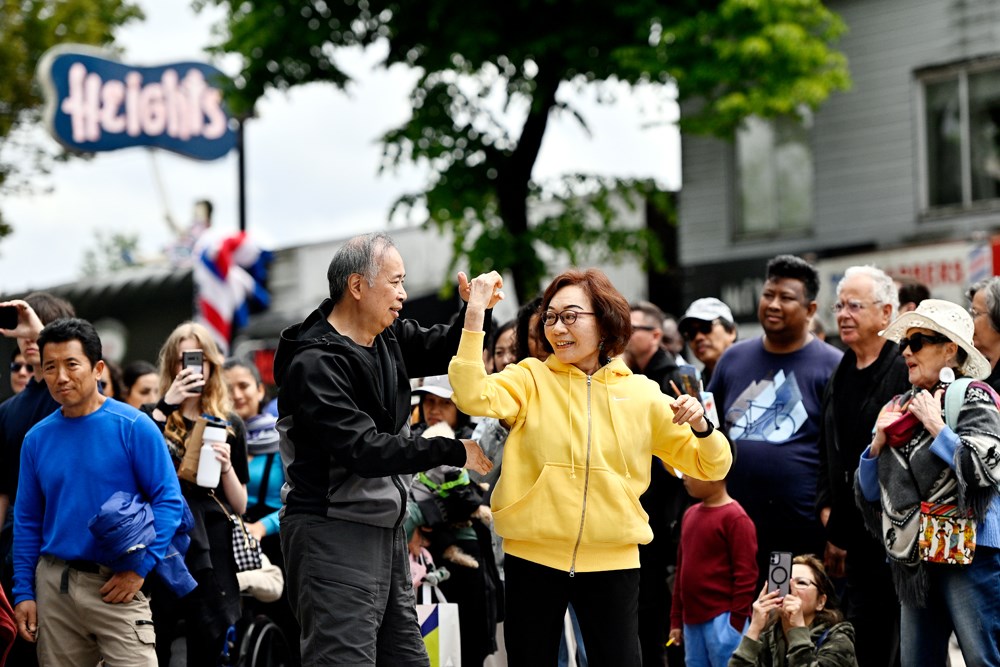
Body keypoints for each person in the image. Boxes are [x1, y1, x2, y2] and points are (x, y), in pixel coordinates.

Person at [449, 268, 733, 666]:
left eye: (570, 316)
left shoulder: (642, 393)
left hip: (614, 561)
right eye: (550, 317)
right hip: (531, 557)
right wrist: (475, 312)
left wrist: (703, 427)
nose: (557, 328)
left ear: (604, 321)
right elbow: (470, 393)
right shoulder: (529, 378)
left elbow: (711, 464)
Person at [272, 232, 494, 665]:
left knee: (409, 659)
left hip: (385, 532)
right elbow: (365, 450)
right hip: (331, 533)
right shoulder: (315, 362)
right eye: (395, 282)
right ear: (357, 287)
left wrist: (475, 311)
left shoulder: (387, 336)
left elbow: (445, 348)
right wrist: (450, 450)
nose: (404, 294)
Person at [11, 318, 184, 667]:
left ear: (97, 368)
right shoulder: (36, 440)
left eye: (72, 364)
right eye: (50, 367)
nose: (61, 377)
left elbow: (169, 502)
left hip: (117, 581)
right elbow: (27, 521)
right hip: (54, 587)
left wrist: (140, 569)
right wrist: (24, 593)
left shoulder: (135, 426)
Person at [855, 298, 1000, 666]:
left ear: (950, 350)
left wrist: (937, 427)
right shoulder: (897, 408)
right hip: (914, 559)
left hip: (970, 552)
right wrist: (876, 445)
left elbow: (986, 468)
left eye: (916, 342)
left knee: (984, 659)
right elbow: (870, 494)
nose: (905, 351)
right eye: (904, 343)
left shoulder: (973, 396)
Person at [708, 255, 843, 587]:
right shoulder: (733, 359)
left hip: (796, 536)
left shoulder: (832, 367)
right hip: (733, 528)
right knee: (739, 626)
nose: (774, 304)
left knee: (783, 615)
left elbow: (840, 454)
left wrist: (838, 527)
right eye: (769, 294)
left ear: (811, 310)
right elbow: (710, 431)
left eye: (786, 298)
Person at [816, 266, 908, 667]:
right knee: (862, 641)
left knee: (895, 644)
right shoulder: (840, 371)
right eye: (840, 305)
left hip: (897, 538)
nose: (843, 314)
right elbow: (829, 449)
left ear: (886, 313)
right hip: (853, 540)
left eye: (855, 305)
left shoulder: (903, 368)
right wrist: (828, 509)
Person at [143, 322, 250, 667]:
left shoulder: (229, 422)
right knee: (157, 635)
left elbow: (241, 504)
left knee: (208, 638)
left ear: (212, 364)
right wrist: (165, 405)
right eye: (183, 359)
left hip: (212, 540)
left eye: (199, 359)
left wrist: (227, 467)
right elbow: (136, 471)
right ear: (171, 367)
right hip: (164, 538)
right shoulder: (149, 417)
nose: (191, 367)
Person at [408, 374, 501, 666]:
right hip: (419, 559)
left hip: (469, 560)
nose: (434, 409)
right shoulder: (409, 443)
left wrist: (424, 511)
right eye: (429, 402)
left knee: (467, 645)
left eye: (444, 403)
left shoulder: (477, 445)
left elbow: (472, 499)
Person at [222, 357, 299, 665]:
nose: (237, 395)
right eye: (228, 389)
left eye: (244, 386)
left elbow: (295, 497)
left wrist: (261, 528)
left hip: (273, 542)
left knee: (285, 624)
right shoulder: (216, 436)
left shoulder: (282, 439)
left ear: (259, 390)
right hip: (229, 541)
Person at [624, 299, 689, 667]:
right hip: (644, 509)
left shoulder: (674, 378)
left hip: (667, 509)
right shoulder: (631, 375)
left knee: (660, 611)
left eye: (632, 328)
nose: (624, 336)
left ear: (656, 335)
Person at [669, 472, 758, 667]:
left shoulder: (736, 518)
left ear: (715, 472)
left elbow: (747, 575)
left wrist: (735, 625)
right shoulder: (689, 514)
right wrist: (676, 620)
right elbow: (681, 572)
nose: (684, 476)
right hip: (691, 622)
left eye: (691, 470)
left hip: (723, 620)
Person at [728, 555, 858, 667]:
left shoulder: (838, 638)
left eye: (801, 582)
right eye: (784, 581)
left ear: (821, 602)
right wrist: (754, 629)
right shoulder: (768, 637)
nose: (790, 589)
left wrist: (797, 630)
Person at [678, 297, 738, 387]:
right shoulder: (696, 388)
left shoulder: (753, 370)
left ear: (731, 331)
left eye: (706, 327)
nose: (698, 337)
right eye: (691, 333)